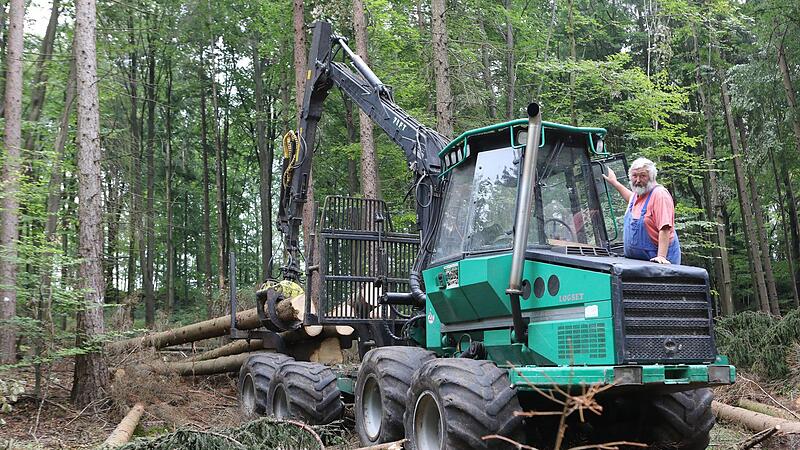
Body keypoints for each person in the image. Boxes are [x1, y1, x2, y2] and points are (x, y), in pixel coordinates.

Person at [602, 157, 681, 264]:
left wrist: (661, 257)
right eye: (635, 176)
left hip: (658, 263)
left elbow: (665, 227)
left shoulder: (659, 195)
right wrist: (615, 183)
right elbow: (630, 198)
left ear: (652, 177)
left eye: (643, 176)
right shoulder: (638, 194)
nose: (638, 180)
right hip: (637, 262)